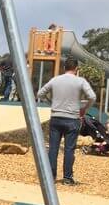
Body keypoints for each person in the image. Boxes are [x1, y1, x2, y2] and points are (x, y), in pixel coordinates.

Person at [36, 57, 96, 185]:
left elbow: (40, 94)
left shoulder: (55, 80)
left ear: (64, 68)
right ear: (76, 69)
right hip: (72, 118)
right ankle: (67, 178)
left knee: (53, 148)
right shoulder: (80, 81)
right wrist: (84, 109)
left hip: (56, 117)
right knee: (69, 149)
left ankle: (50, 177)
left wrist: (50, 102)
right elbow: (92, 97)